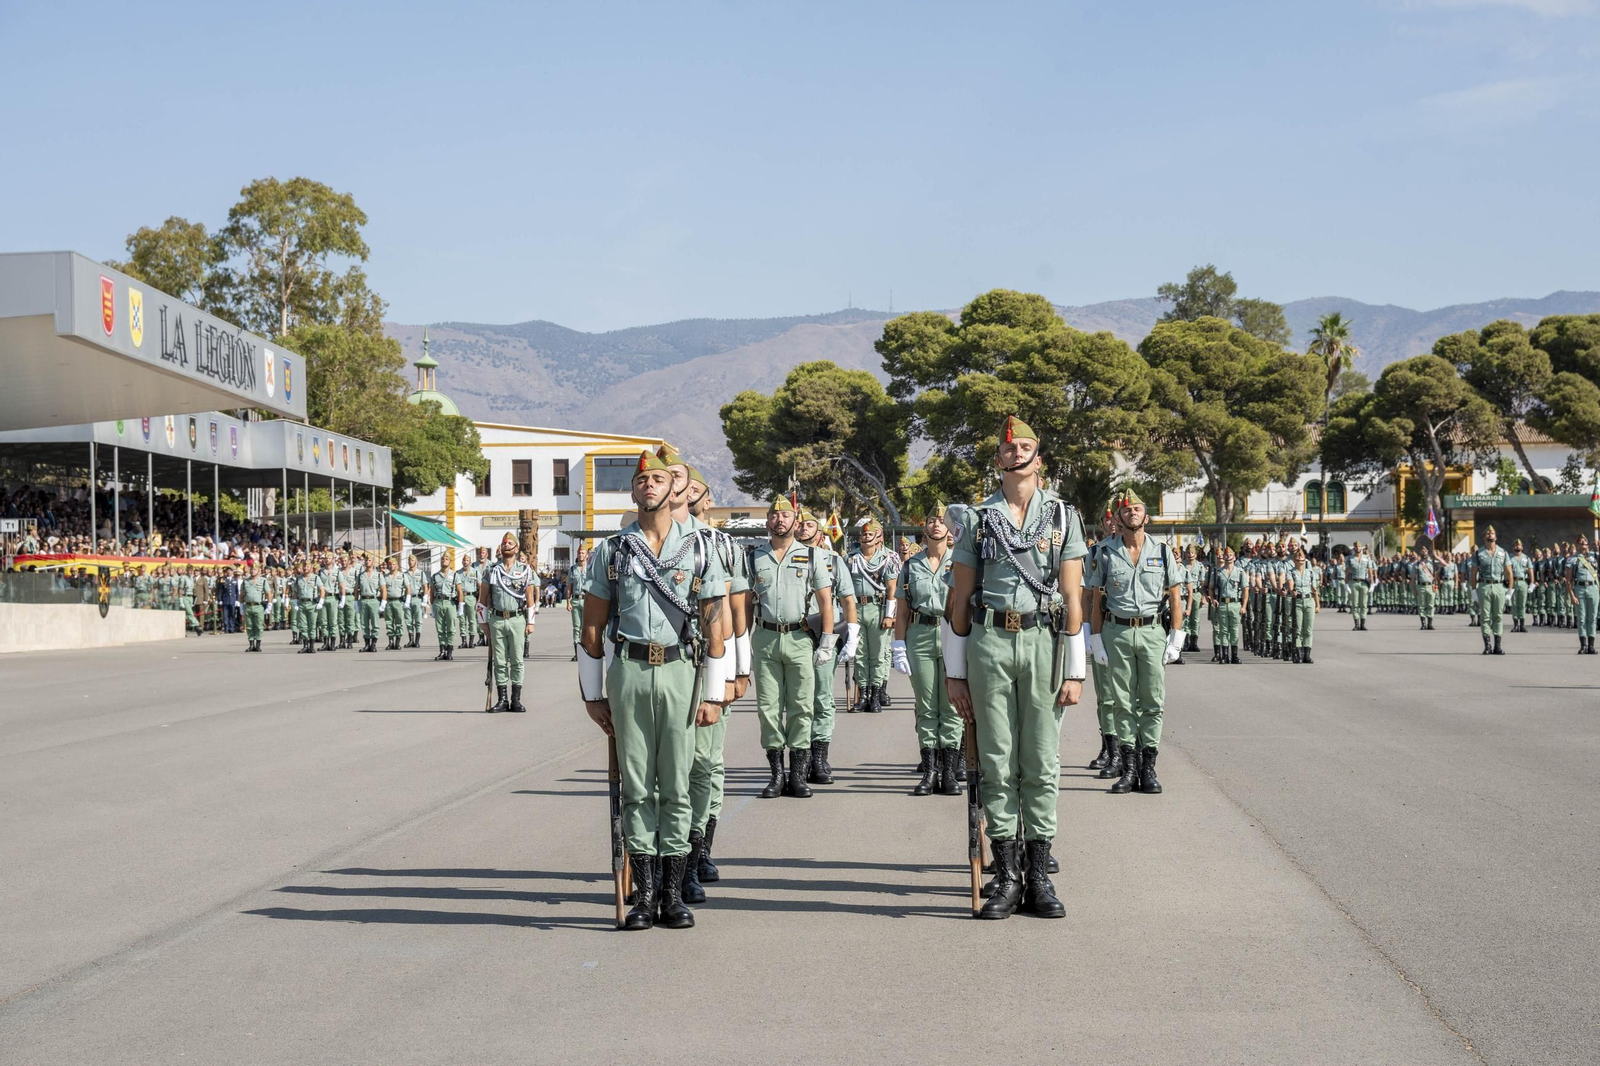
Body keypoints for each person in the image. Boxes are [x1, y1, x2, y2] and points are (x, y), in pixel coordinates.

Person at [577, 449, 729, 931]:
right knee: (638, 785)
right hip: (631, 672)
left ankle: (672, 893)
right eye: (642, 481)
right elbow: (593, 627)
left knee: (678, 785)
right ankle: (643, 894)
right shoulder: (614, 551)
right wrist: (592, 694)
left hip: (683, 671)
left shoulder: (702, 547)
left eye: (659, 479)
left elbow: (715, 629)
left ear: (675, 489)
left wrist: (713, 693)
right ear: (633, 490)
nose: (649, 486)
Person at [946, 416, 1087, 921]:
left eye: (1025, 446)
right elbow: (959, 598)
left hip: (1043, 641)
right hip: (988, 642)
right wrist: (954, 672)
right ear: (999, 459)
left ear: (1039, 457)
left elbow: (1072, 596)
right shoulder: (980, 520)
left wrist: (1076, 670)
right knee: (998, 759)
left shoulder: (1063, 517)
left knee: (1042, 760)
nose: (1016, 453)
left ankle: (1039, 877)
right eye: (1008, 448)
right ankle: (1006, 876)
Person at [1088, 487, 1181, 795]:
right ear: (1117, 517)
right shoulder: (1103, 552)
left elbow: (1176, 596)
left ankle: (1148, 767)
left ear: (1146, 516)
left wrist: (1176, 636)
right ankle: (1129, 768)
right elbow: (1096, 598)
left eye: (1137, 509)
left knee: (1153, 701)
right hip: (1117, 632)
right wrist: (1096, 638)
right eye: (1126, 510)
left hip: (1153, 631)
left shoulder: (1163, 551)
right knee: (1123, 703)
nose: (1132, 513)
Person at [748, 496, 835, 797]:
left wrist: (827, 640)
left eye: (786, 516)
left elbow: (825, 601)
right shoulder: (754, 557)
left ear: (795, 522)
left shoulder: (812, 556)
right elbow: (746, 603)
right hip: (765, 638)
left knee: (801, 706)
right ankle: (776, 775)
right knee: (768, 708)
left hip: (799, 638)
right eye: (775, 516)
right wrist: (740, 649)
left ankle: (798, 775)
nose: (780, 520)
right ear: (767, 522)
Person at [892, 504, 960, 796]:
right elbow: (903, 611)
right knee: (927, 705)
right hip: (920, 634)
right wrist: (898, 645)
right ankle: (930, 772)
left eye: (941, 521)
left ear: (950, 530)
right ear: (925, 528)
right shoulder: (911, 565)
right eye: (931, 520)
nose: (936, 525)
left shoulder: (961, 562)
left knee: (952, 706)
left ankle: (949, 773)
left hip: (952, 633)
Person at [797, 508, 857, 785]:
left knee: (821, 696)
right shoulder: (785, 560)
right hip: (794, 636)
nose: (802, 528)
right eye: (799, 524)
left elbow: (847, 599)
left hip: (824, 635)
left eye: (809, 525)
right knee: (798, 699)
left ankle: (819, 756)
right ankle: (801, 755)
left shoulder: (833, 561)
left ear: (820, 534)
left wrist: (852, 635)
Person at [480, 533, 537, 713]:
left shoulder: (525, 570)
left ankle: (516, 699)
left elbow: (529, 597)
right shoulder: (491, 570)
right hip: (496, 619)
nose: (506, 546)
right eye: (504, 544)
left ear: (517, 548)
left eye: (510, 543)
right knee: (499, 660)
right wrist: (483, 622)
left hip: (517, 619)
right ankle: (502, 699)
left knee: (518, 660)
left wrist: (531, 621)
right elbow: (482, 598)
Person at [847, 518, 900, 713]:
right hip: (856, 609)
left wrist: (889, 615)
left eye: (870, 534)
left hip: (877, 609)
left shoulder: (885, 559)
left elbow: (891, 589)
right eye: (863, 534)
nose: (866, 537)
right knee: (860, 655)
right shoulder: (851, 559)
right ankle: (864, 695)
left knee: (878, 654)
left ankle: (876, 695)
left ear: (878, 536)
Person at [1472, 526, 1513, 655]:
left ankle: (1498, 646)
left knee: (1498, 617)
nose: (1490, 535)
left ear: (1496, 537)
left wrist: (1510, 591)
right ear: (1484, 537)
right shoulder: (1479, 553)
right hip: (1484, 586)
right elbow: (1473, 573)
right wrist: (1474, 591)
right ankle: (1487, 646)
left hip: (1499, 586)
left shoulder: (1503, 552)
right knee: (1485, 617)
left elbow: (1509, 573)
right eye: (1488, 533)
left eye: (1493, 533)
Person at [1210, 546, 1246, 665]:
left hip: (1235, 604)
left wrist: (1244, 606)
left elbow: (1245, 589)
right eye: (1226, 555)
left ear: (1234, 557)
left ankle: (1234, 656)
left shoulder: (1240, 572)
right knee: (1223, 630)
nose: (1228, 557)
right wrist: (1212, 599)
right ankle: (1225, 656)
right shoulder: (1217, 572)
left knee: (1234, 630)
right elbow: (1211, 587)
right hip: (1222, 604)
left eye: (1230, 555)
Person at [1287, 541, 1320, 662]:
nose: (1300, 559)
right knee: (1298, 628)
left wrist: (1318, 605)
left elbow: (1315, 590)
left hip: (1309, 600)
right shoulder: (1291, 572)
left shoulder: (1311, 573)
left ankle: (1307, 654)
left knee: (1308, 629)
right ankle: (1298, 653)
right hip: (1298, 602)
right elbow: (1290, 584)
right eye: (1298, 558)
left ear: (1305, 560)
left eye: (1302, 558)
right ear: (1294, 560)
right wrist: (1292, 591)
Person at [1565, 535, 1598, 654]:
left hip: (1593, 588)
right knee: (1582, 618)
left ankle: (1591, 646)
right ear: (1577, 545)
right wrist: (1572, 595)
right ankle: (1583, 645)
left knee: (1592, 618)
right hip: (1579, 588)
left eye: (1586, 542)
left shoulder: (1595, 557)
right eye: (1581, 542)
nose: (1584, 544)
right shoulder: (1572, 559)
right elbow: (1568, 580)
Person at [428, 552, 458, 660]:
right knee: (440, 628)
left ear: (450, 561)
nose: (444, 560)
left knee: (450, 628)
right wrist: (431, 606)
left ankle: (449, 651)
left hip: (450, 603)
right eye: (442, 559)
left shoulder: (454, 575)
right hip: (438, 602)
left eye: (446, 558)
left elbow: (459, 591)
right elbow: (431, 591)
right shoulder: (435, 576)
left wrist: (461, 606)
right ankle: (442, 650)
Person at [239, 562, 270, 652]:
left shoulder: (263, 580)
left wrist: (269, 605)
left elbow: (268, 593)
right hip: (248, 605)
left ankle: (258, 645)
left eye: (254, 569)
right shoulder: (245, 581)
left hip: (258, 606)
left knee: (259, 626)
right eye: (251, 569)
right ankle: (251, 644)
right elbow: (242, 595)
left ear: (259, 571)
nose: (252, 571)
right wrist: (241, 606)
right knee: (249, 626)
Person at [294, 561, 321, 654]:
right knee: (303, 626)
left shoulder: (316, 578)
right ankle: (305, 646)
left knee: (312, 625)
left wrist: (320, 601)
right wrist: (295, 603)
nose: (305, 568)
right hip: (302, 603)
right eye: (304, 566)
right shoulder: (298, 579)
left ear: (311, 567)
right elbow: (295, 592)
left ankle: (312, 646)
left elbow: (322, 590)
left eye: (307, 566)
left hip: (312, 604)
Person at [358, 557, 383, 652]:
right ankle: (367, 644)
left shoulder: (378, 575)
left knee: (375, 623)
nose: (367, 562)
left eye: (369, 560)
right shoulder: (361, 575)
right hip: (363, 600)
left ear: (373, 562)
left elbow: (383, 588)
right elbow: (356, 589)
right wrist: (356, 602)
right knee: (364, 624)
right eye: (366, 560)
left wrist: (383, 602)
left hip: (373, 600)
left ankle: (374, 644)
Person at [380, 558, 406, 652]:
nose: (392, 566)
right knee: (389, 622)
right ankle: (391, 641)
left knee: (399, 622)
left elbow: (408, 587)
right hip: (389, 601)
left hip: (398, 601)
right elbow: (383, 589)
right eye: (390, 564)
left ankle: (397, 642)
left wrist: (407, 600)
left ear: (397, 565)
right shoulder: (384, 576)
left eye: (394, 564)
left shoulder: (402, 576)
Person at [568, 547, 589, 661]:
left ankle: (586, 650)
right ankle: (577, 652)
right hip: (575, 600)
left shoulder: (590, 568)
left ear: (586, 555)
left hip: (587, 600)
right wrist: (568, 601)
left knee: (586, 626)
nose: (580, 555)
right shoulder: (572, 569)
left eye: (583, 553)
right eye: (579, 553)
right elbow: (569, 586)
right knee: (576, 627)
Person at [1347, 543, 1373, 630]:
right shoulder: (1350, 558)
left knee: (1364, 604)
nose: (1357, 548)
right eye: (1356, 546)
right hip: (1354, 582)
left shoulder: (1366, 558)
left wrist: (1372, 583)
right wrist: (1346, 584)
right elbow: (1347, 572)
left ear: (1361, 548)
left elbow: (1370, 571)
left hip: (1364, 582)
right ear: (1354, 548)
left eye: (1359, 546)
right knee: (1355, 604)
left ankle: (1362, 624)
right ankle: (1356, 624)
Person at [1508, 539, 1531, 633]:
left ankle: (1522, 625)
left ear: (1522, 547)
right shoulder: (1509, 557)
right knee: (1514, 603)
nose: (1518, 547)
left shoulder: (1526, 558)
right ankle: (1515, 625)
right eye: (1516, 545)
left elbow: (1530, 570)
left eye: (1519, 545)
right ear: (1513, 547)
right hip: (1513, 581)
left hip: (1523, 582)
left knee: (1522, 603)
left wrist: (1532, 583)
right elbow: (1506, 570)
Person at [405, 555, 427, 648]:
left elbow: (425, 586)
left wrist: (425, 598)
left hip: (417, 598)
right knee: (408, 620)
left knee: (418, 620)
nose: (410, 562)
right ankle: (411, 640)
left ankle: (417, 641)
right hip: (407, 599)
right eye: (409, 560)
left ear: (416, 562)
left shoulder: (421, 573)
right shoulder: (405, 574)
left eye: (412, 560)